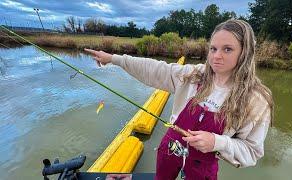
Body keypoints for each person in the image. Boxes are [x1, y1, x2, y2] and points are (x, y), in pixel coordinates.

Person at [84, 19, 274, 180]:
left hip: (202, 169)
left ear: (245, 52)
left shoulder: (256, 100)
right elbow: (154, 69)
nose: (216, 56)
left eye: (227, 49)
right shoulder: (193, 75)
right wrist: (114, 59)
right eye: (213, 48)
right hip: (168, 152)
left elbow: (251, 152)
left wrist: (217, 142)